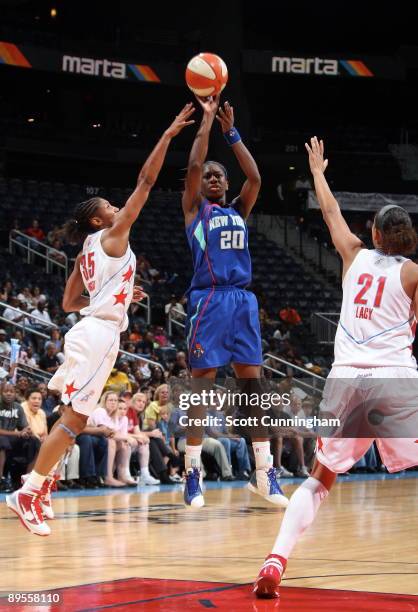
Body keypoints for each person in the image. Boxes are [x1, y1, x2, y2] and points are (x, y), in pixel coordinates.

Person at [6, 103, 196, 536]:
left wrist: (122, 293)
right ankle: (30, 490)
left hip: (90, 328)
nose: (117, 208)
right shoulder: (113, 235)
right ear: (99, 218)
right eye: (110, 206)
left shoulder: (86, 249)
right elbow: (146, 182)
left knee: (69, 416)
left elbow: (71, 301)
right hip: (97, 336)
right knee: (73, 420)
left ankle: (43, 483)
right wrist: (167, 135)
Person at [254, 136, 418, 598]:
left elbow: (330, 214)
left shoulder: (354, 254)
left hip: (346, 380)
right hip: (393, 379)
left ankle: (274, 561)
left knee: (320, 477)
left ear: (376, 234)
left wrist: (319, 173)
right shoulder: (413, 274)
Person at [181, 94, 287, 508]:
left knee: (253, 389)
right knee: (201, 390)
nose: (212, 178)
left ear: (226, 185)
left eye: (218, 175)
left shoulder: (240, 210)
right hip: (208, 301)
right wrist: (207, 123)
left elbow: (256, 178)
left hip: (242, 302)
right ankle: (192, 472)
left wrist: (233, 134)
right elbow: (192, 165)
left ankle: (264, 474)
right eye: (208, 175)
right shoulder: (194, 211)